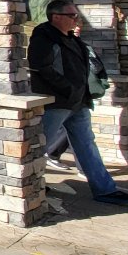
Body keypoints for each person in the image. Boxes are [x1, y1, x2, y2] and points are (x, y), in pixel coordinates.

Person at [28, 0, 128, 205]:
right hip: (58, 102)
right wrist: (67, 88)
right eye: (72, 15)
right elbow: (40, 67)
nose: (76, 19)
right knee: (38, 146)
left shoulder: (71, 38)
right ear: (56, 17)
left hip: (78, 102)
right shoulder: (44, 37)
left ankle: (105, 189)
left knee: (87, 144)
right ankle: (33, 184)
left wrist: (81, 92)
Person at [44, 22, 110, 172]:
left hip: (78, 98)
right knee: (43, 139)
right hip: (62, 100)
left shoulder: (79, 46)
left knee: (83, 139)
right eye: (73, 24)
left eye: (78, 24)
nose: (77, 27)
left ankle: (101, 184)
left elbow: (95, 68)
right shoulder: (52, 46)